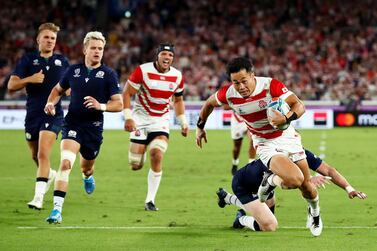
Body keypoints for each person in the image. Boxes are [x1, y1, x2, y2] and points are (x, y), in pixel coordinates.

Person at [196, 57, 322, 236]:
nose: (240, 87)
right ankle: (268, 181)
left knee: (307, 185)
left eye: (243, 81)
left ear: (253, 76)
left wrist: (286, 118)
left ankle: (314, 212)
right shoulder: (228, 94)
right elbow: (209, 103)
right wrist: (200, 127)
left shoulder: (271, 86)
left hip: (287, 136)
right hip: (264, 143)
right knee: (294, 179)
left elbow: (299, 105)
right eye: (235, 82)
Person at [44, 31, 123, 224]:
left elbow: (119, 104)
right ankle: (56, 210)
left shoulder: (109, 75)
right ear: (85, 49)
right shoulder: (73, 71)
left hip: (93, 129)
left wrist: (101, 106)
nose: (97, 52)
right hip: (73, 124)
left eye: (100, 49)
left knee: (87, 167)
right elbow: (57, 90)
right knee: (65, 163)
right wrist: (50, 103)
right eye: (94, 48)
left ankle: (87, 176)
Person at [216, 149, 367, 232]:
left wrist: (349, 188)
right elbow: (288, 181)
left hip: (267, 187)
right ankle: (240, 220)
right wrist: (308, 180)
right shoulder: (275, 154)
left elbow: (328, 170)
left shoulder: (300, 153)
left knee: (266, 211)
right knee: (269, 226)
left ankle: (226, 198)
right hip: (244, 185)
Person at [7, 23, 69, 210]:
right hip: (32, 114)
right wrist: (29, 79)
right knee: (35, 155)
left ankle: (38, 197)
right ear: (38, 40)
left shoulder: (62, 62)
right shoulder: (28, 60)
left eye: (53, 38)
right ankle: (48, 174)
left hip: (53, 114)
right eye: (47, 38)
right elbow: (11, 85)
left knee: (43, 153)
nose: (50, 41)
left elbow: (69, 86)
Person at [122, 43, 188, 211]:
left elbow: (178, 100)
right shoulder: (143, 71)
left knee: (157, 154)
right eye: (164, 54)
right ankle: (140, 151)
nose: (167, 57)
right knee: (135, 165)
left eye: (170, 55)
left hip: (161, 120)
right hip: (140, 119)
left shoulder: (178, 76)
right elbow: (127, 93)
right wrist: (128, 117)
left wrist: (182, 122)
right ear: (157, 56)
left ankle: (150, 200)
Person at [229, 111, 256, 175]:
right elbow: (225, 107)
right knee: (237, 146)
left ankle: (251, 166)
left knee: (253, 140)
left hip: (249, 119)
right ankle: (235, 163)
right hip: (237, 121)